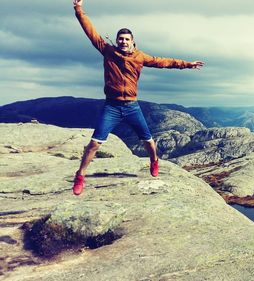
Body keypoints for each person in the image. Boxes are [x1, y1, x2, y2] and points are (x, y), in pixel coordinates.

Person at [72, 0, 204, 195]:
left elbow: (164, 62)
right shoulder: (108, 51)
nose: (123, 41)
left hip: (132, 106)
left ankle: (154, 161)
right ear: (117, 41)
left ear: (133, 41)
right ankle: (80, 176)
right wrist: (79, 10)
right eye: (120, 39)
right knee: (94, 143)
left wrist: (187, 64)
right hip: (112, 107)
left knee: (148, 141)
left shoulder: (140, 57)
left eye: (127, 39)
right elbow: (90, 31)